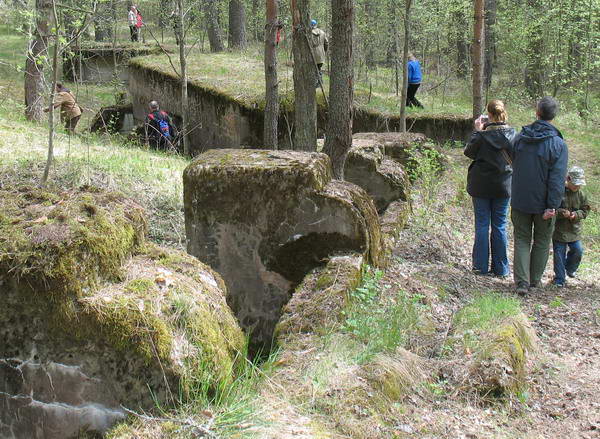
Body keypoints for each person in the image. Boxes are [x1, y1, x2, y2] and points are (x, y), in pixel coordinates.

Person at [511, 96, 568, 296]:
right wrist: (552, 205)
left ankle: (522, 282)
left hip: (521, 198)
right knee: (542, 240)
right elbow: (557, 179)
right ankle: (533, 280)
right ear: (554, 116)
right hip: (543, 203)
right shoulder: (558, 144)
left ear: (537, 112)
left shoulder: (520, 138)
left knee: (522, 239)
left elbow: (511, 160)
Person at [464, 100, 516, 277]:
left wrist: (477, 131)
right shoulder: (512, 135)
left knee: (482, 224)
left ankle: (480, 267)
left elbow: (469, 152)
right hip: (503, 185)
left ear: (490, 115)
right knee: (500, 225)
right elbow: (516, 157)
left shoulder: (481, 136)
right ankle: (501, 269)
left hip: (480, 185)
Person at [552, 166, 590, 287]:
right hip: (559, 230)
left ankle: (570, 268)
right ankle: (559, 279)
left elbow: (585, 210)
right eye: (575, 184)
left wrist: (575, 215)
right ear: (568, 179)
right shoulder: (559, 192)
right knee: (559, 255)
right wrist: (562, 213)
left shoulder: (581, 195)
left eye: (579, 185)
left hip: (574, 230)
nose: (577, 187)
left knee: (578, 250)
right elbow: (553, 208)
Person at [309, 19, 328, 87]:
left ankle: (318, 83)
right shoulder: (322, 32)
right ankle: (320, 82)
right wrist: (324, 51)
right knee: (318, 68)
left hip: (313, 53)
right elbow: (326, 43)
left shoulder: (309, 33)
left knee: (314, 69)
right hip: (321, 54)